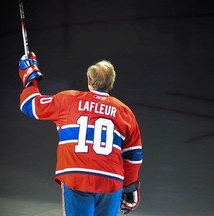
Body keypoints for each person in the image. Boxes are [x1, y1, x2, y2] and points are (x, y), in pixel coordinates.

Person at [18, 52, 143, 216]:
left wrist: (30, 78)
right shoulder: (124, 112)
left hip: (77, 177)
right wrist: (129, 186)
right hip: (110, 180)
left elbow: (29, 105)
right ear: (111, 84)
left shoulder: (67, 100)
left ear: (89, 81)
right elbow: (133, 155)